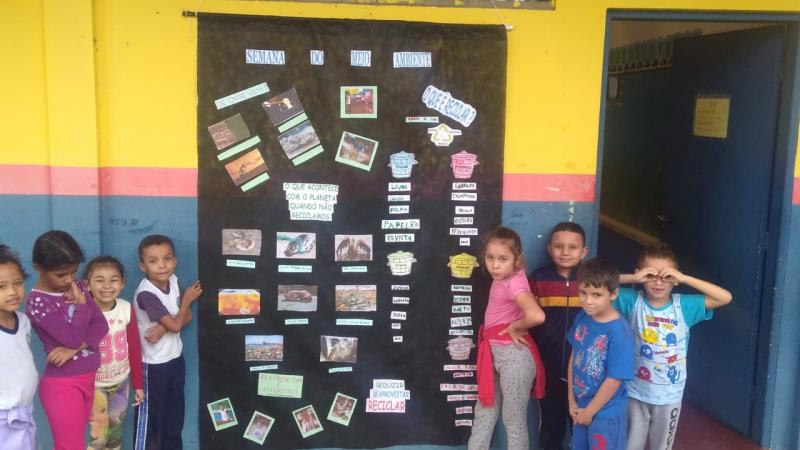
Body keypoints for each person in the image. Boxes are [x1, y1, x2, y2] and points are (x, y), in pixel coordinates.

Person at [615, 243, 732, 450]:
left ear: (675, 279)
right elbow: (593, 283)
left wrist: (685, 278)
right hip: (635, 391)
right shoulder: (632, 301)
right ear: (640, 274)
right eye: (651, 275)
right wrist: (632, 278)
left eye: (667, 276)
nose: (659, 282)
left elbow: (725, 297)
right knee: (631, 445)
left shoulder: (684, 306)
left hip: (670, 395)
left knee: (662, 446)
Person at [25, 230, 110, 449]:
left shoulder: (77, 286)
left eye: (73, 272)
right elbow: (71, 338)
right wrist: (82, 306)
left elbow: (101, 324)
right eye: (61, 274)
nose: (69, 279)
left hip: (88, 377)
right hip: (63, 385)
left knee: (78, 443)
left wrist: (75, 349)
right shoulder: (38, 303)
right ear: (38, 268)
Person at [468, 226, 547, 450]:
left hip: (514, 356)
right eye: (490, 257)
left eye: (503, 259)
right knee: (484, 413)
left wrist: (515, 327)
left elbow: (537, 316)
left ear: (516, 259)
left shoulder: (514, 283)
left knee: (513, 421)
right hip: (494, 353)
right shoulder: (506, 276)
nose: (495, 265)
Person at [132, 234, 202, 450]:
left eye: (167, 259)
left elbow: (186, 317)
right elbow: (178, 323)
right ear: (143, 266)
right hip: (154, 365)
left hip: (175, 359)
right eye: (153, 261)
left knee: (174, 418)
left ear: (175, 260)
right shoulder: (146, 293)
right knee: (153, 423)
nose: (162, 266)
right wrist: (185, 302)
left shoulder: (173, 280)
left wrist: (164, 327)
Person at [528, 222, 589, 450]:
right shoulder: (538, 279)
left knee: (582, 426)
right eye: (558, 246)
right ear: (549, 249)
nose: (565, 252)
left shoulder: (591, 280)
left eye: (573, 247)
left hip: (584, 370)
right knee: (551, 427)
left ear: (584, 252)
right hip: (548, 367)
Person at [568, 258, 634, 450]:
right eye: (583, 292)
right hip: (580, 406)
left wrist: (590, 412)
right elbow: (574, 357)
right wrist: (571, 401)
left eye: (596, 295)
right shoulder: (583, 317)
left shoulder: (620, 332)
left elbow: (614, 379)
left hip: (606, 412)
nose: (588, 301)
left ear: (614, 294)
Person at [84, 256, 145, 450]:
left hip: (121, 383)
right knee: (99, 437)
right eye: (99, 280)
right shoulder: (84, 312)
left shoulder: (126, 309)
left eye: (114, 280)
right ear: (87, 285)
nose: (107, 286)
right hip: (95, 386)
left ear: (122, 283)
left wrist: (138, 385)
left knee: (115, 433)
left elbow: (134, 348)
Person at [0, 245, 38, 450]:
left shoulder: (23, 321)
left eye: (18, 283)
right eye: (1, 287)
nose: (13, 292)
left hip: (24, 413)